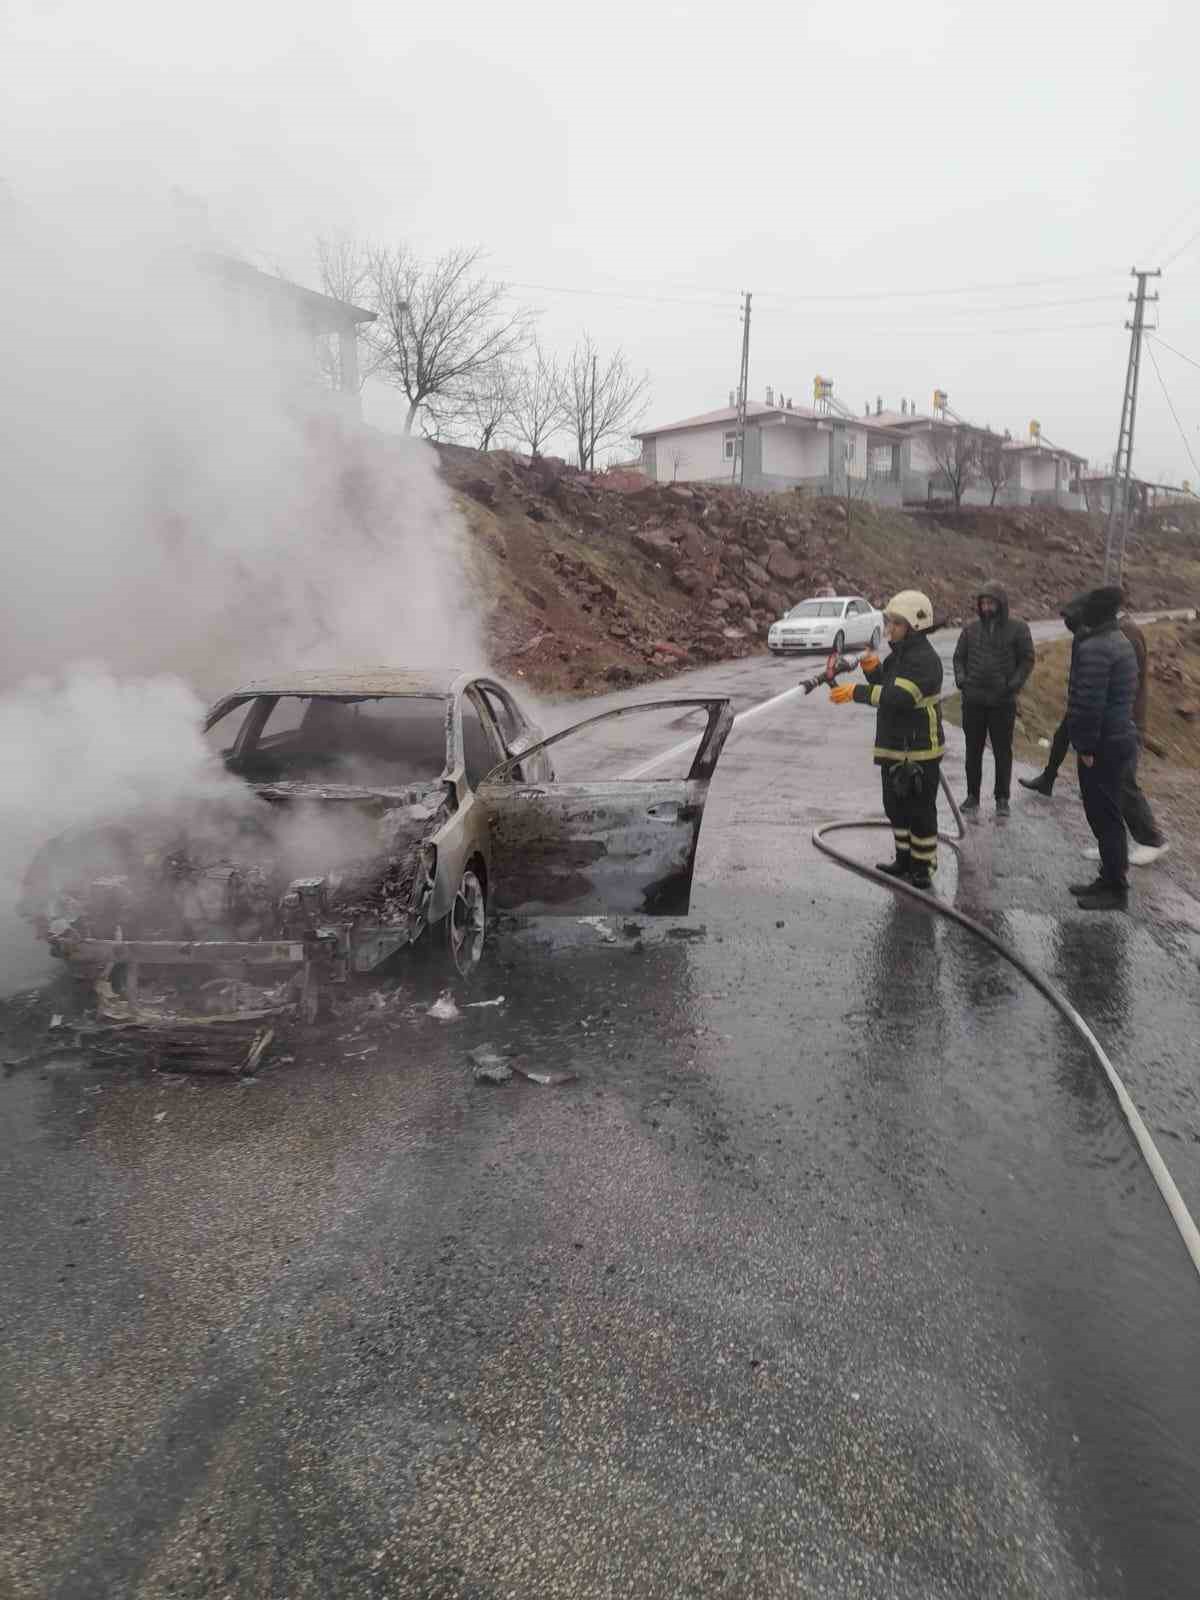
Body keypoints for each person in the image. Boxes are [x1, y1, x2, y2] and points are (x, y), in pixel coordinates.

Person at [1020, 602, 1168, 866]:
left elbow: (1123, 684)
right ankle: (1109, 845)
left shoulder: (1127, 634)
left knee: (1121, 782)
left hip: (1121, 722)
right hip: (1094, 712)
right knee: (1099, 784)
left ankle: (1152, 839)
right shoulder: (1104, 634)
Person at [830, 589, 945, 890]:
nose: (889, 628)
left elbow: (901, 696)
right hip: (894, 746)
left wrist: (856, 692)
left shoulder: (924, 660)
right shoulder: (900, 655)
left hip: (918, 750)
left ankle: (922, 867)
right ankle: (904, 860)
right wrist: (873, 671)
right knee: (895, 807)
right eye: (889, 621)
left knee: (920, 812)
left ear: (915, 626)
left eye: (896, 622)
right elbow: (888, 684)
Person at [1065, 585, 1139, 911]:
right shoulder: (1119, 640)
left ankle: (1115, 889)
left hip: (1103, 744)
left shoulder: (1097, 647)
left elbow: (1089, 703)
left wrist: (1085, 745)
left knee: (1104, 816)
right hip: (1119, 738)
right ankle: (1108, 878)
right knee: (1106, 813)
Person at [952, 580, 1035, 816]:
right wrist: (961, 679)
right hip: (973, 700)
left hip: (1002, 701)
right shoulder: (970, 629)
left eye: (991, 603)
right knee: (973, 750)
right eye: (983, 603)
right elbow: (959, 657)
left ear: (1001, 604)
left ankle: (1002, 798)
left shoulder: (1018, 629)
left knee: (1002, 751)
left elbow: (1027, 659)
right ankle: (972, 796)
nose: (987, 608)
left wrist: (1013, 685)